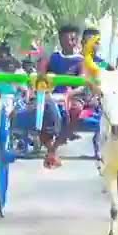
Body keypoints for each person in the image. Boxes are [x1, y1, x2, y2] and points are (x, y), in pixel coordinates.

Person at [37, 24, 84, 167]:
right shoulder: (53, 57)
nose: (72, 42)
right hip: (51, 96)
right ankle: (50, 148)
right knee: (38, 111)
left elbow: (82, 84)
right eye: (69, 39)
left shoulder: (81, 61)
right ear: (61, 40)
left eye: (74, 39)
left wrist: (71, 93)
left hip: (72, 97)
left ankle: (54, 148)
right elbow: (41, 74)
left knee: (76, 110)